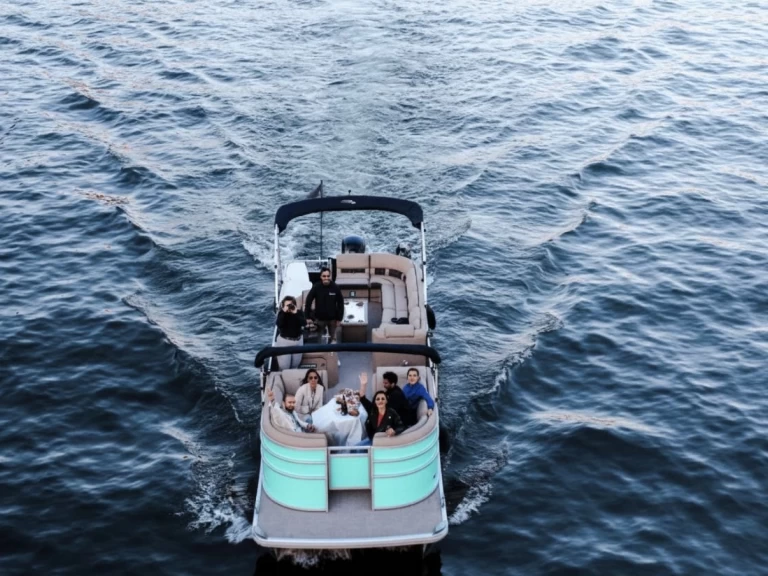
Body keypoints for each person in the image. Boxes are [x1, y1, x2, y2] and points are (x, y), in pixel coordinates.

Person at [356, 372, 404, 446]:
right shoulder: (372, 410)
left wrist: (393, 431)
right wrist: (363, 385)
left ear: (386, 401)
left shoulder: (391, 412)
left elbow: (401, 426)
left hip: (384, 442)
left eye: (382, 399)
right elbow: (362, 398)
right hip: (372, 439)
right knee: (354, 449)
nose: (380, 400)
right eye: (377, 399)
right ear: (375, 402)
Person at [304, 267, 344, 343]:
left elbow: (340, 303)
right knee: (318, 340)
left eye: (328, 276)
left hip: (333, 320)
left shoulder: (335, 288)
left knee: (333, 340)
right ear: (321, 277)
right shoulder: (316, 287)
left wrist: (339, 318)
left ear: (330, 276)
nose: (326, 278)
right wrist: (307, 317)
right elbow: (308, 301)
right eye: (324, 276)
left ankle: (331, 353)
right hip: (319, 319)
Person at [275, 295, 306, 369]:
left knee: (296, 365)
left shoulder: (299, 313)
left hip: (298, 341)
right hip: (285, 342)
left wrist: (295, 313)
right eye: (287, 305)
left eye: (290, 305)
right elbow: (279, 324)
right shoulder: (281, 314)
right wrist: (284, 312)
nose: (289, 307)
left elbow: (304, 323)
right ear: (283, 306)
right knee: (284, 366)